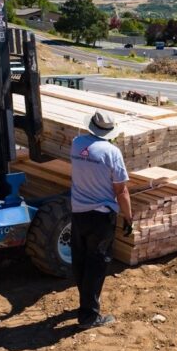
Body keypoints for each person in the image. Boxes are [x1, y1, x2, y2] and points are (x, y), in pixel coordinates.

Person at [69, 110, 133, 329]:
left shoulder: (77, 144)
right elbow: (121, 191)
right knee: (97, 265)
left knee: (81, 259)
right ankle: (89, 317)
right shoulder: (112, 152)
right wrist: (129, 217)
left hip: (78, 213)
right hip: (101, 217)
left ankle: (86, 301)